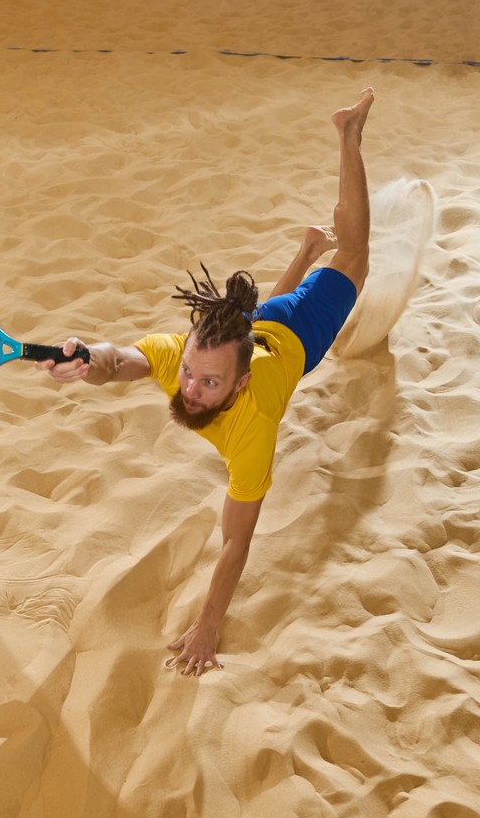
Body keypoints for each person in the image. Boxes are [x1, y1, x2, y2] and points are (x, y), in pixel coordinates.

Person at [38, 90, 376, 675]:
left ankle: (348, 135)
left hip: (299, 336)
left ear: (241, 386)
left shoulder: (253, 430)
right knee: (253, 319)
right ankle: (305, 246)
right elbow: (122, 360)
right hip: (259, 331)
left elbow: (235, 541)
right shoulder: (192, 357)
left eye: (208, 385)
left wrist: (208, 623)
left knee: (355, 255)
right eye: (191, 373)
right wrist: (87, 360)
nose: (189, 389)